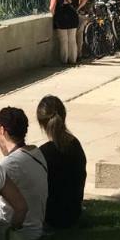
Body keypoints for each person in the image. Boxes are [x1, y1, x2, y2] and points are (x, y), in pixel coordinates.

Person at [0, 107, 48, 240]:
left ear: (1, 130)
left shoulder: (9, 165)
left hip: (20, 233)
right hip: (36, 228)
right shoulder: (36, 152)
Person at [36, 96, 86, 230]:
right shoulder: (75, 144)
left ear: (41, 123)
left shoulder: (43, 153)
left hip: (51, 218)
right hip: (74, 213)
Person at [50, 0, 85, 64]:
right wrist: (78, 8)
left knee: (63, 41)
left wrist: (53, 14)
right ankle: (73, 59)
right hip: (73, 17)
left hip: (61, 19)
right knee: (72, 40)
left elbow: (51, 8)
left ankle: (64, 60)